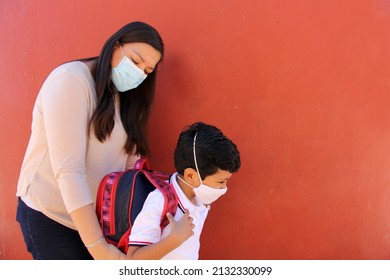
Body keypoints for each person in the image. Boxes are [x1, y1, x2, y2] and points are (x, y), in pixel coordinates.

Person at [16, 21, 194, 260]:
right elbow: (69, 172)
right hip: (53, 216)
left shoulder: (128, 99)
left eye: (147, 71)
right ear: (115, 46)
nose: (139, 72)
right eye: (135, 60)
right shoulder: (70, 81)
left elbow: (130, 165)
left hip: (99, 222)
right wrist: (99, 247)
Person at [126, 122, 241, 259]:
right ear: (191, 176)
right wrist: (175, 239)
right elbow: (133, 260)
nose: (224, 188)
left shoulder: (199, 198)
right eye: (221, 182)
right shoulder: (160, 201)